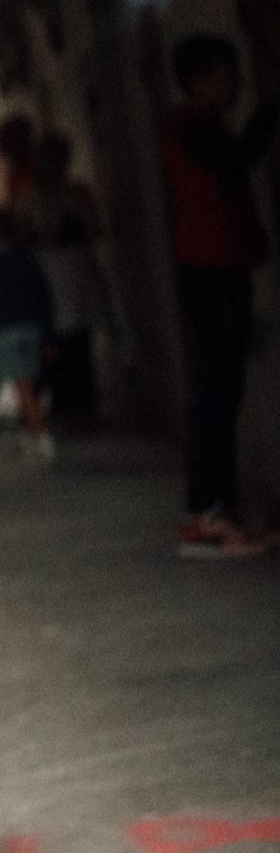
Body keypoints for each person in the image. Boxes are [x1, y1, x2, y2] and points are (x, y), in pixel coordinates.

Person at [161, 32, 279, 558]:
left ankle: (221, 508)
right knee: (214, 391)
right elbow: (238, 159)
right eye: (228, 76)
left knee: (224, 391)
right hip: (209, 270)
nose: (236, 86)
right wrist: (272, 103)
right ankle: (205, 514)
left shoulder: (201, 127)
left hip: (222, 267)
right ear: (200, 80)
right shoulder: (188, 128)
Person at [22, 132, 113, 425]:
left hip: (74, 272)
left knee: (77, 340)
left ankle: (81, 403)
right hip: (49, 272)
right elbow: (20, 234)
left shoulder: (75, 193)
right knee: (57, 341)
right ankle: (65, 402)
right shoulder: (30, 196)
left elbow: (96, 228)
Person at [0, 210, 56, 459]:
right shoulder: (26, 259)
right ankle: (28, 436)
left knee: (23, 385)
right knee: (28, 383)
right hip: (32, 327)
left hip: (7, 329)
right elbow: (44, 296)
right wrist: (49, 333)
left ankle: (42, 434)